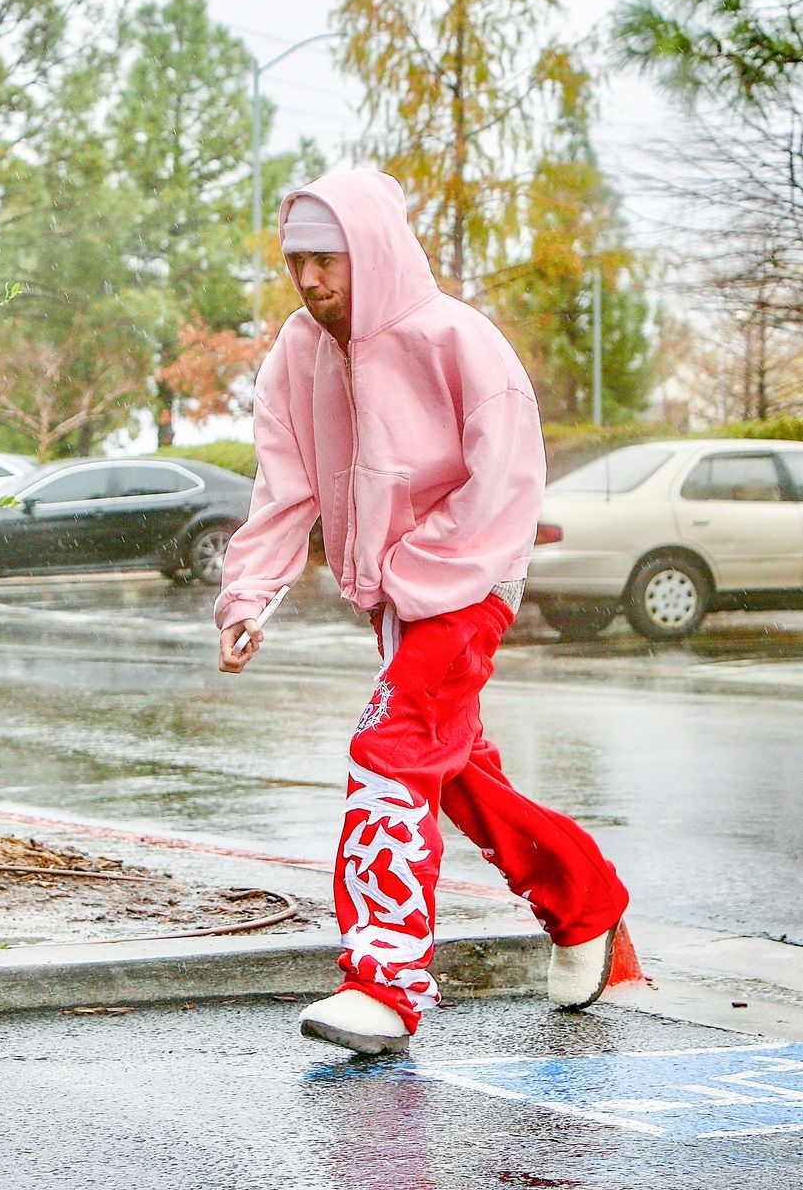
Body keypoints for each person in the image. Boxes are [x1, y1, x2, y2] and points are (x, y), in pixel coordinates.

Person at [216, 169, 629, 1056]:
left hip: (468, 586)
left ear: (371, 251)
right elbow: (283, 486)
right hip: (392, 596)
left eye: (327, 259)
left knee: (391, 747)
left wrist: (427, 571)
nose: (310, 279)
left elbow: (508, 480)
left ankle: (382, 984)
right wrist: (250, 593)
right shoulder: (298, 350)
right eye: (296, 261)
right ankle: (585, 902)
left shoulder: (457, 339)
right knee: (455, 771)